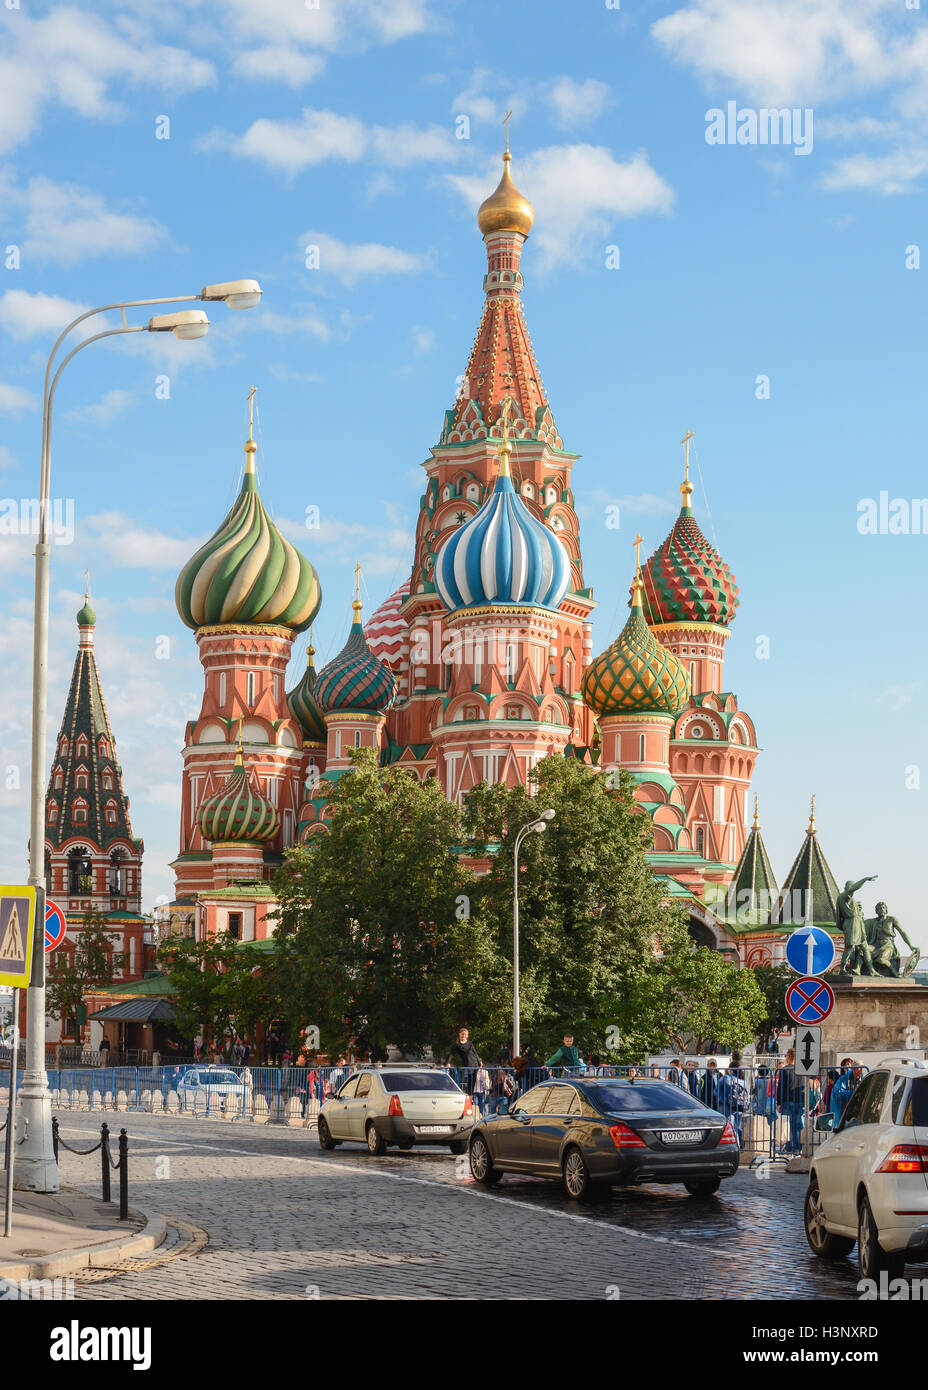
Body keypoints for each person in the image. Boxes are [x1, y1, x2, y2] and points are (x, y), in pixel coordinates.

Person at [777, 1048, 804, 1153]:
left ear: (788, 1057)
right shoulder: (800, 1070)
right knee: (796, 1125)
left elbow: (781, 1087)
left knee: (789, 1126)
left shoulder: (784, 1070)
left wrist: (778, 1102)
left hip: (788, 1101)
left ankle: (792, 1147)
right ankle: (796, 1147)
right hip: (799, 1100)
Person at [447, 1027, 482, 1091]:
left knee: (475, 1083)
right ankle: (469, 1096)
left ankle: (472, 1097)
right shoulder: (457, 1044)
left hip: (475, 1064)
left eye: (465, 1034)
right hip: (467, 1065)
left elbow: (475, 1053)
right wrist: (447, 1063)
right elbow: (451, 1054)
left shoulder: (470, 1043)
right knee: (470, 1082)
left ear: (467, 1036)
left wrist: (480, 1063)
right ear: (459, 1034)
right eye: (462, 1034)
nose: (464, 1035)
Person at [829, 1058, 859, 1125]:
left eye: (849, 1064)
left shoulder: (859, 1078)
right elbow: (837, 1094)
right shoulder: (842, 1079)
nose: (848, 1067)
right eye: (845, 1066)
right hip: (843, 1112)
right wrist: (852, 1092)